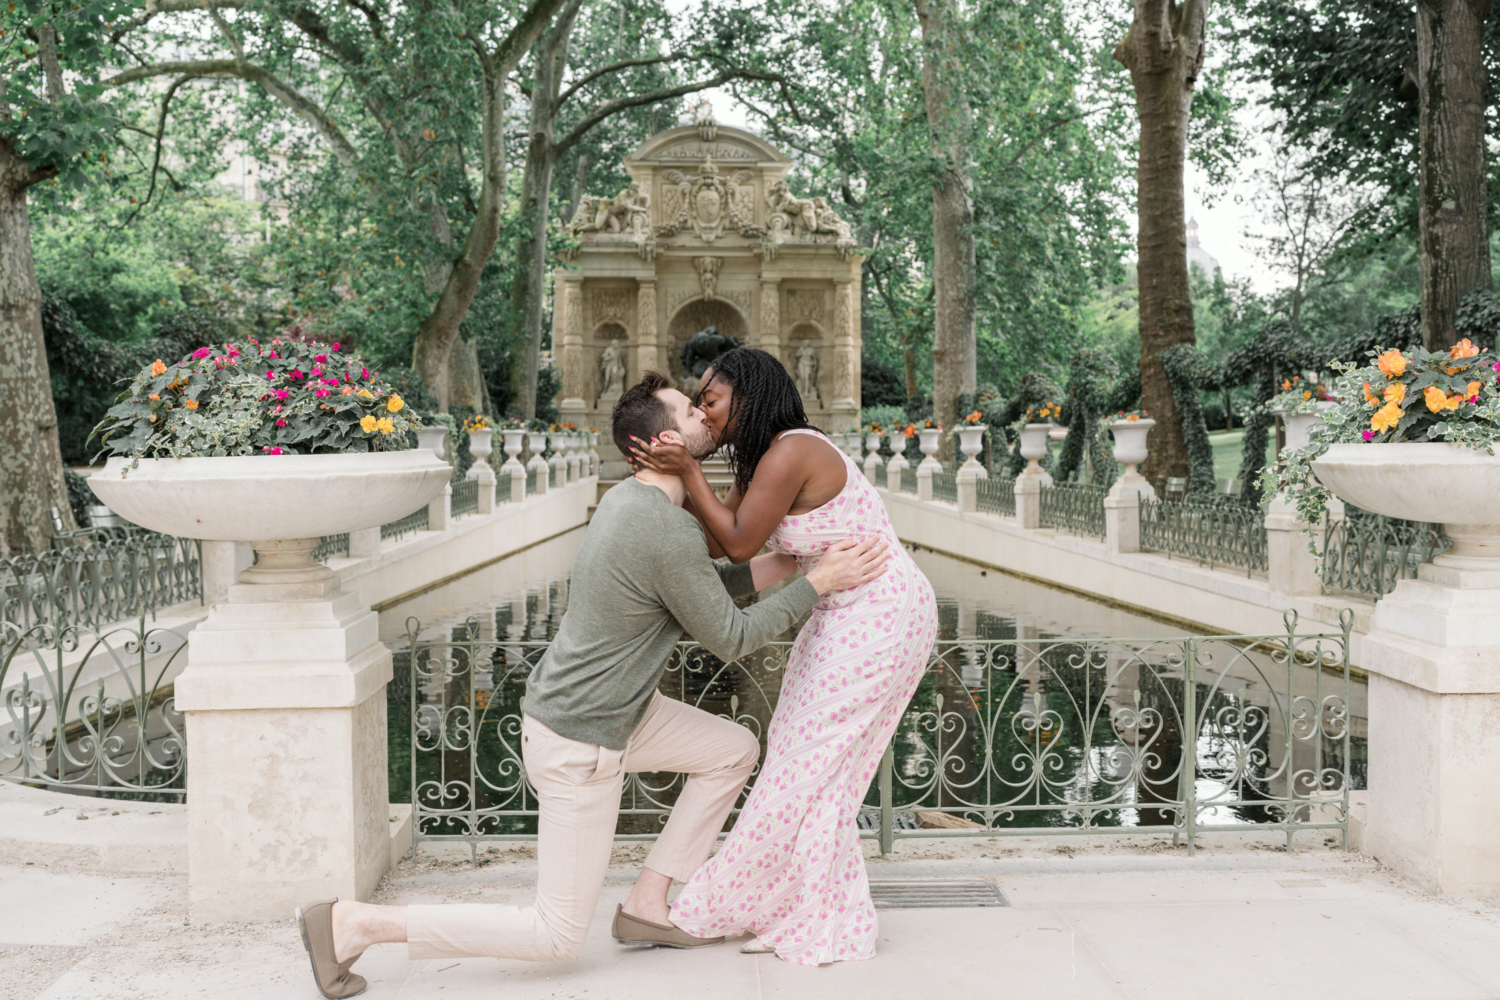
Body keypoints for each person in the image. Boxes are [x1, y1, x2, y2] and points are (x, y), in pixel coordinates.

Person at [295, 371, 890, 999]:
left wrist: (792, 561)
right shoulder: (661, 526)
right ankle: (354, 923)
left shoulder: (633, 502)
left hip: (618, 715)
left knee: (733, 750)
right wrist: (817, 585)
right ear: (659, 442)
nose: (706, 417)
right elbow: (733, 638)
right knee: (554, 935)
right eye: (691, 411)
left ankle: (647, 902)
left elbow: (697, 583)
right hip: (581, 737)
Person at [628, 347, 938, 966]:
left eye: (711, 401)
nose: (705, 413)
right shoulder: (762, 458)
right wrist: (682, 478)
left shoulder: (794, 449)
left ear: (748, 397)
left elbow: (741, 540)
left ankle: (711, 904)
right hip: (836, 612)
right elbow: (727, 541)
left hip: (881, 613)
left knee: (809, 765)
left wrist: (688, 471)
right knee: (807, 765)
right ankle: (797, 903)